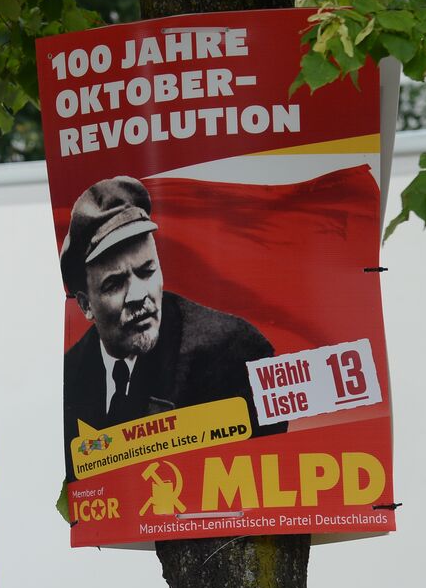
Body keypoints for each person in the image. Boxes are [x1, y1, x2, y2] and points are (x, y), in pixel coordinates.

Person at [61, 175, 286, 479]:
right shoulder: (72, 370)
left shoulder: (232, 352)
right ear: (87, 305)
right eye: (114, 284)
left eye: (147, 271)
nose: (139, 295)